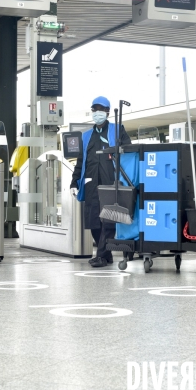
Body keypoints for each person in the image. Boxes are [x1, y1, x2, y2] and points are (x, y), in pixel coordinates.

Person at [70, 96, 132, 268]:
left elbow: (128, 152)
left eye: (101, 109)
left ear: (107, 112)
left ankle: (102, 255)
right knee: (93, 222)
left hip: (111, 182)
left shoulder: (118, 130)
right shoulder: (86, 136)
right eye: (94, 109)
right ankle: (106, 254)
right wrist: (74, 182)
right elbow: (80, 161)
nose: (97, 113)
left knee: (109, 220)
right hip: (91, 183)